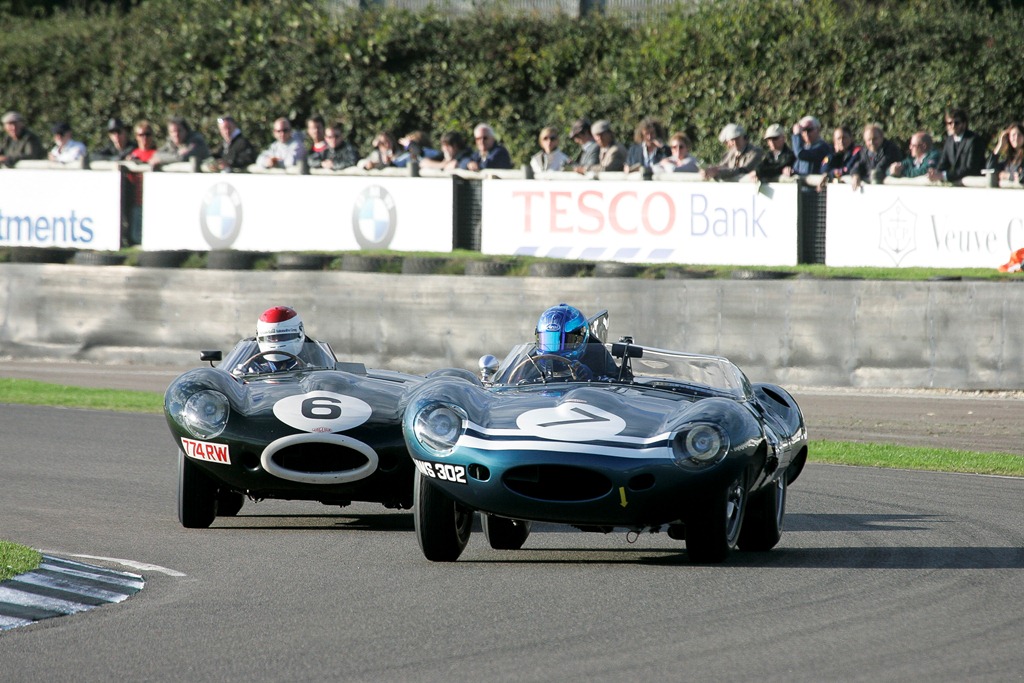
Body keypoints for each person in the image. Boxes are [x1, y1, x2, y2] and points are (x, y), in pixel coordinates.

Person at [239, 306, 307, 374]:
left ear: (300, 332)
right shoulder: (248, 354)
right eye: (272, 338)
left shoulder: (312, 353)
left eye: (283, 336)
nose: (277, 340)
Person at [928, 107, 986, 184]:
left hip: (975, 185)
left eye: (957, 123)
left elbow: (971, 168)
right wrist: (935, 173)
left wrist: (944, 176)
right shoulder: (949, 141)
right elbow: (943, 164)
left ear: (964, 124)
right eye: (949, 123)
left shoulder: (974, 140)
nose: (953, 126)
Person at [849, 122, 902, 190]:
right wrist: (855, 175)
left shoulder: (891, 150)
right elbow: (858, 165)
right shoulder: (864, 151)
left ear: (881, 137)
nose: (872, 142)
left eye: (875, 139)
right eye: (869, 140)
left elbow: (880, 168)